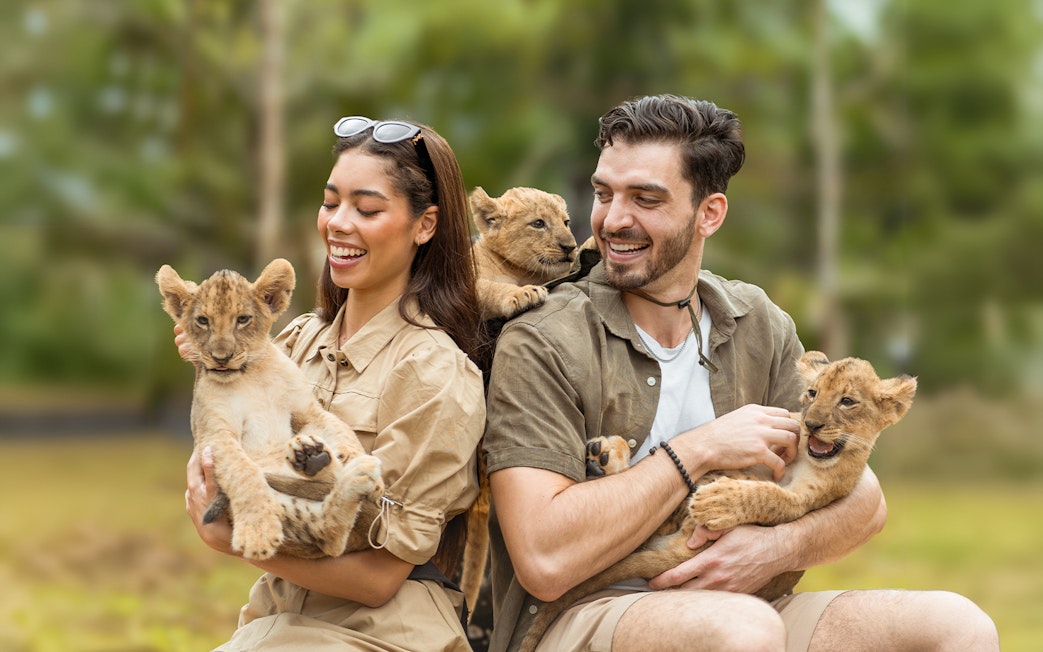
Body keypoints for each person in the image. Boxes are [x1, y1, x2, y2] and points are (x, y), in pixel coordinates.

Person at [482, 94, 998, 651]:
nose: (613, 219)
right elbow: (542, 558)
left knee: (957, 626)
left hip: (754, 605)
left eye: (646, 198)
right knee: (741, 631)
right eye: (605, 194)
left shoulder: (756, 322)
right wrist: (696, 451)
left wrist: (778, 550)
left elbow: (864, 500)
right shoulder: (542, 337)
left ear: (710, 213)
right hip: (586, 612)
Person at [178, 116, 490, 650]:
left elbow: (379, 578)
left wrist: (233, 538)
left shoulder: (437, 373)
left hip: (382, 633)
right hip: (272, 618)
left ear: (425, 225)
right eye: (330, 203)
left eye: (367, 210)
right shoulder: (296, 340)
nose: (339, 224)